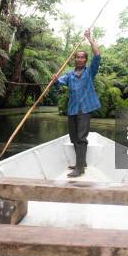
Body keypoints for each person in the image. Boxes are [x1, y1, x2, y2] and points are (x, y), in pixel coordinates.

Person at [52, 28, 101, 178]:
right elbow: (58, 83)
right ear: (74, 59)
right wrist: (54, 80)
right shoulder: (69, 75)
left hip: (85, 109)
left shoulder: (89, 72)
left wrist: (89, 38)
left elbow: (97, 55)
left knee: (81, 138)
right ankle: (82, 162)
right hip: (73, 110)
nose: (79, 59)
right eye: (77, 57)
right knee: (74, 138)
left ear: (85, 60)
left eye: (82, 57)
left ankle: (79, 168)